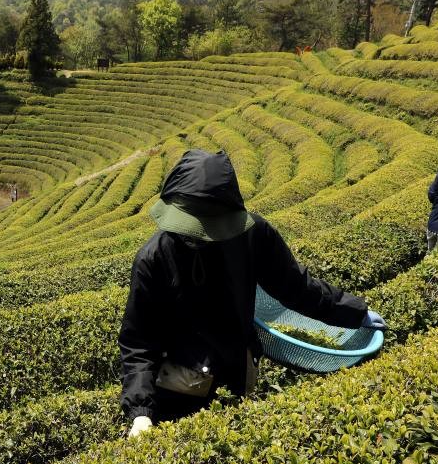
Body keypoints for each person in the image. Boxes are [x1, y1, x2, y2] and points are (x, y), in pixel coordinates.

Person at [120, 149, 386, 438]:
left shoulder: (253, 234)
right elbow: (139, 342)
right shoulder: (154, 258)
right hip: (181, 386)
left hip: (238, 367)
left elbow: (296, 287)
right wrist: (141, 412)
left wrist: (354, 311)